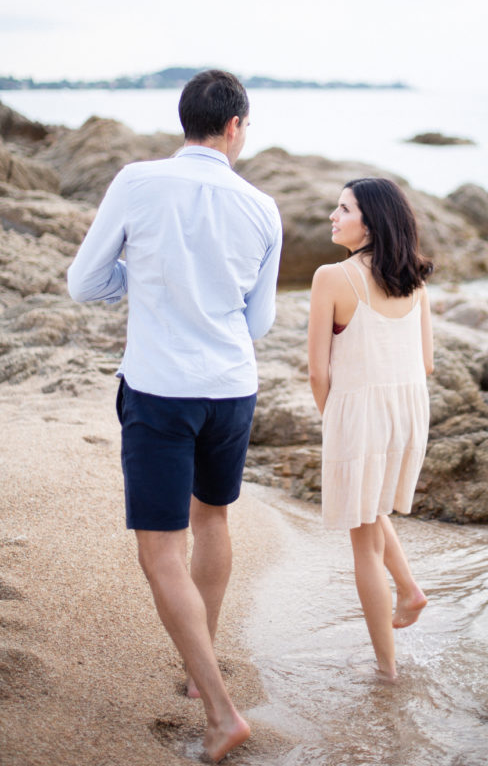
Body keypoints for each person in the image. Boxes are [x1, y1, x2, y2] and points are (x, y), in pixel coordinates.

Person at [67, 69, 282, 761]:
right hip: (230, 387)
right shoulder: (262, 207)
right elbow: (259, 321)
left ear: (184, 119)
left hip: (161, 388)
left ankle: (219, 709)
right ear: (234, 127)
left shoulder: (137, 181)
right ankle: (201, 670)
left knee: (159, 550)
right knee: (211, 519)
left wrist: (149, 277)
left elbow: (85, 282)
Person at [307, 177, 433, 681]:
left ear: (370, 221)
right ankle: (409, 590)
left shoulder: (330, 277)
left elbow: (318, 373)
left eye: (343, 209)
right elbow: (425, 362)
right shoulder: (415, 279)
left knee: (363, 543)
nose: (333, 218)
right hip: (408, 413)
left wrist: (333, 418)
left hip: (361, 413)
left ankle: (387, 670)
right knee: (371, 507)